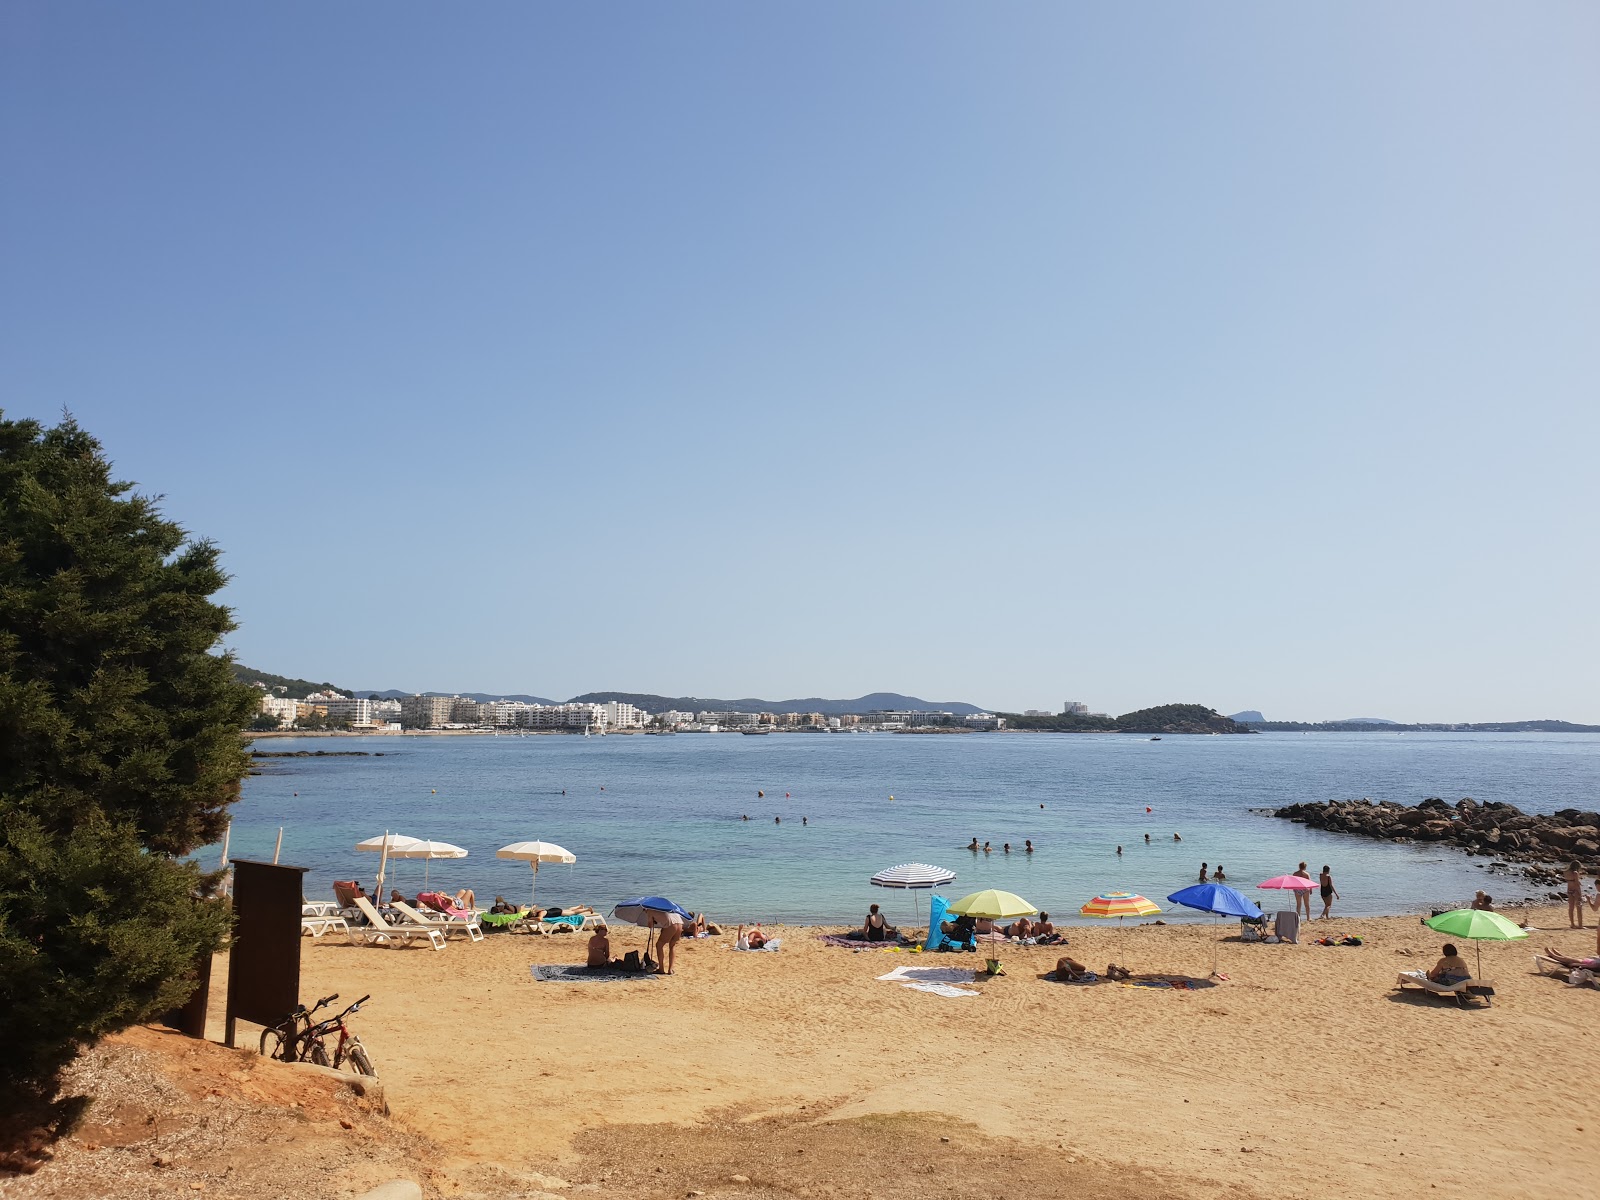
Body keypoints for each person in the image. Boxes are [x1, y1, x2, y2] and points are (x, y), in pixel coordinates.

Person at [652, 909, 683, 974]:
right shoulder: (668, 908)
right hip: (680, 923)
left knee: (659, 945)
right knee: (672, 946)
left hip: (671, 924)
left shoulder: (649, 910)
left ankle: (661, 969)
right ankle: (670, 970)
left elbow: (650, 925)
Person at [1566, 863, 1586, 929]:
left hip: (1569, 891)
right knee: (1579, 908)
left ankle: (1572, 924)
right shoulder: (1575, 873)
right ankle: (1580, 925)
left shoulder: (1567, 872)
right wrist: (1580, 893)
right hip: (1575, 891)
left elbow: (1571, 881)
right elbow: (1577, 884)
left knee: (1571, 908)